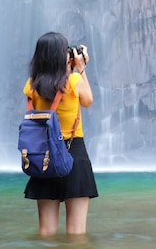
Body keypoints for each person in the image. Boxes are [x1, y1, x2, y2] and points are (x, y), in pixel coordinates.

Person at [23, 31, 98, 236]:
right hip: (73, 154)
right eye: (66, 50)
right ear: (59, 56)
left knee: (46, 232)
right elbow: (88, 100)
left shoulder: (31, 85)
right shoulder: (73, 80)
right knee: (76, 233)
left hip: (43, 157)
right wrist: (81, 69)